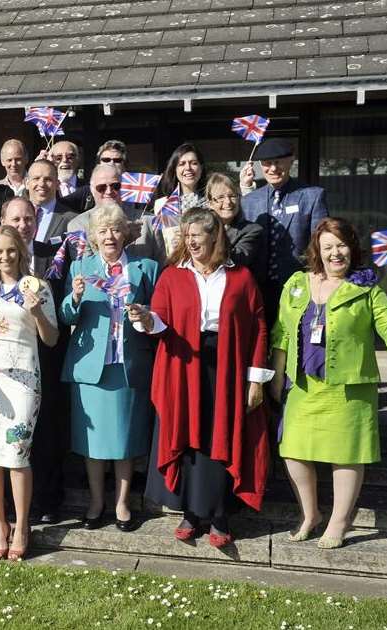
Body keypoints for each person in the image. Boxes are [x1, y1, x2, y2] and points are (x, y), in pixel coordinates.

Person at [270, 217, 387, 549]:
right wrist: (276, 379)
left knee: (346, 455)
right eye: (328, 247)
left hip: (349, 390)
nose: (335, 253)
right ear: (317, 250)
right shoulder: (297, 283)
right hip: (303, 385)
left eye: (341, 245)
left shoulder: (367, 289)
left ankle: (338, 523)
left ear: (351, 250)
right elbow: (281, 334)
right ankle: (310, 515)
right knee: (292, 451)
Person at [133, 208, 270, 547]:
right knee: (189, 437)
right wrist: (146, 319)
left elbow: (259, 327)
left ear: (214, 236)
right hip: (183, 366)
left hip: (227, 366)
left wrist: (256, 379)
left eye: (197, 234)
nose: (191, 241)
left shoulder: (240, 277)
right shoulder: (172, 275)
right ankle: (191, 513)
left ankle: (220, 514)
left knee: (218, 436)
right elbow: (160, 321)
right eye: (187, 234)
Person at [60, 205, 158, 531]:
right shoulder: (81, 267)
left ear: (126, 234)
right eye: (102, 231)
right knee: (94, 444)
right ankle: (96, 501)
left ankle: (122, 503)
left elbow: (159, 317)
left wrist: (143, 315)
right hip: (91, 369)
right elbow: (65, 316)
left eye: (115, 229)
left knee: (124, 439)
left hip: (128, 366)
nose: (109, 236)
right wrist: (74, 298)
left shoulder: (145, 269)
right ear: (93, 237)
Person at [0, 225, 58, 560]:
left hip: (23, 378)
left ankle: (22, 525)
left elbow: (51, 339)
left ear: (21, 252)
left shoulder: (38, 288)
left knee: (17, 452)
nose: (5, 257)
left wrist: (36, 311)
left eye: (11, 251)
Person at [0, 197, 71, 523]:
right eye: (16, 219)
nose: (23, 225)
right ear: (4, 220)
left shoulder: (51, 256)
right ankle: (10, 503)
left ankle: (48, 499)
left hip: (46, 353)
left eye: (29, 218)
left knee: (45, 429)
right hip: (8, 359)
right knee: (11, 429)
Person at [240, 138, 329, 324]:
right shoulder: (249, 201)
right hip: (258, 289)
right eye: (267, 163)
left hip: (300, 287)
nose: (273, 168)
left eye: (278, 161)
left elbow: (322, 243)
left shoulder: (312, 196)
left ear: (291, 160)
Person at [67, 163, 164, 263]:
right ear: (92, 190)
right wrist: (123, 241)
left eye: (115, 186)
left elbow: (162, 263)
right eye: (101, 187)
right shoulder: (78, 225)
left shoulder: (148, 220)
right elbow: (84, 266)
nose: (109, 191)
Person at [205, 173, 264, 282]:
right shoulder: (202, 229)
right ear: (210, 203)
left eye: (232, 196)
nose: (228, 202)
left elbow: (237, 260)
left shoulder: (252, 230)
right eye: (220, 197)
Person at [61, 140, 128, 213]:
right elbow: (60, 204)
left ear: (124, 165)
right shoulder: (87, 191)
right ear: (98, 163)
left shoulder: (135, 189)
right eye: (106, 160)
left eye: (117, 160)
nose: (111, 163)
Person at [27, 160, 76, 246]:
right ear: (27, 183)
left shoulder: (71, 219)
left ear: (57, 184)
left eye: (48, 179)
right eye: (36, 178)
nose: (41, 184)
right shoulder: (13, 214)